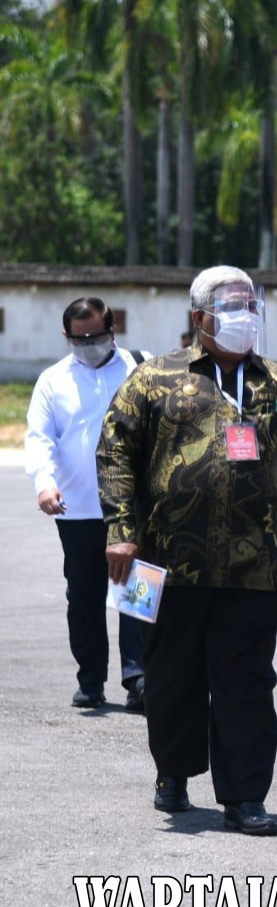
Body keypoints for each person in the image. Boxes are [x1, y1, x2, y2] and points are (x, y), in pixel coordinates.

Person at [96, 265, 277, 836]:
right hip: (161, 561)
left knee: (245, 680)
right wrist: (120, 530)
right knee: (170, 675)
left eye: (251, 304)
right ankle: (172, 775)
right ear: (199, 317)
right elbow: (115, 452)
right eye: (230, 305)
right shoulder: (155, 378)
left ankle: (244, 796)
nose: (243, 315)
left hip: (259, 566)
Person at [25, 298, 148, 711]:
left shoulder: (138, 369)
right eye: (80, 339)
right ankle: (91, 678)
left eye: (96, 336)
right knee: (84, 597)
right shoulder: (52, 381)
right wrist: (45, 484)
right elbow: (39, 439)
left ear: (113, 331)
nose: (89, 344)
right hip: (76, 508)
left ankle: (139, 677)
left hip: (131, 507)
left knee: (136, 591)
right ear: (67, 337)